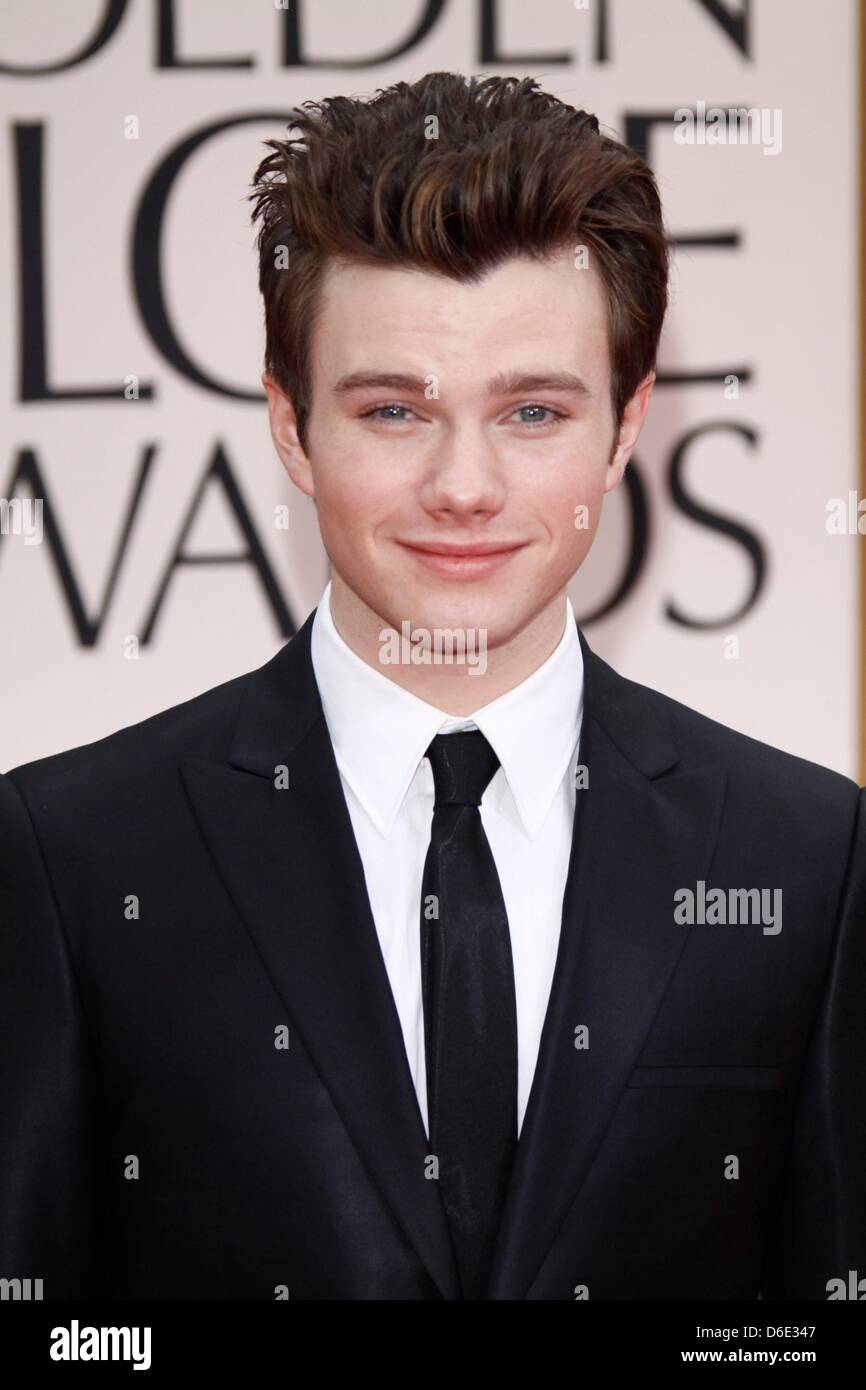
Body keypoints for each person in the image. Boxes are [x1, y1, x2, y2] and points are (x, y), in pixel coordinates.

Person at [1, 72, 864, 1301]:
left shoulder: (805, 858)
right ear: (292, 428)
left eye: (529, 410)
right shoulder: (70, 856)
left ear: (623, 429)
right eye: (395, 409)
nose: (463, 487)